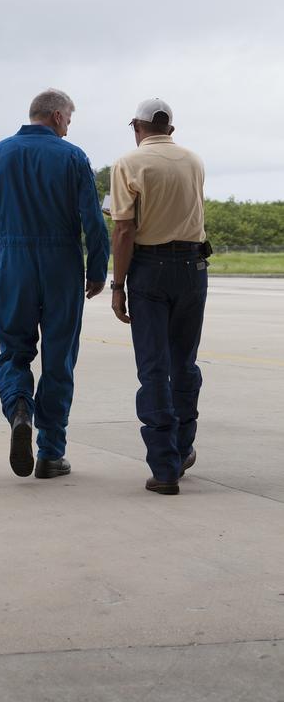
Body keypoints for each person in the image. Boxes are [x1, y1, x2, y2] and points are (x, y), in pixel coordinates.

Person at [0, 88, 109, 480]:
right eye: (69, 118)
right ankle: (51, 452)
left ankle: (18, 407)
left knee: (13, 350)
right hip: (61, 263)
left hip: (15, 259)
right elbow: (93, 221)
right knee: (59, 355)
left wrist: (15, 235)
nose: (68, 126)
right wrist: (97, 269)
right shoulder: (72, 156)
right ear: (56, 116)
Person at [109, 98, 207, 495]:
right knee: (184, 363)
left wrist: (118, 286)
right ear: (170, 128)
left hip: (150, 270)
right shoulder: (194, 161)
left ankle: (164, 467)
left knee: (153, 367)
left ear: (137, 126)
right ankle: (183, 449)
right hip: (194, 267)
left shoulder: (129, 164)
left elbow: (124, 231)